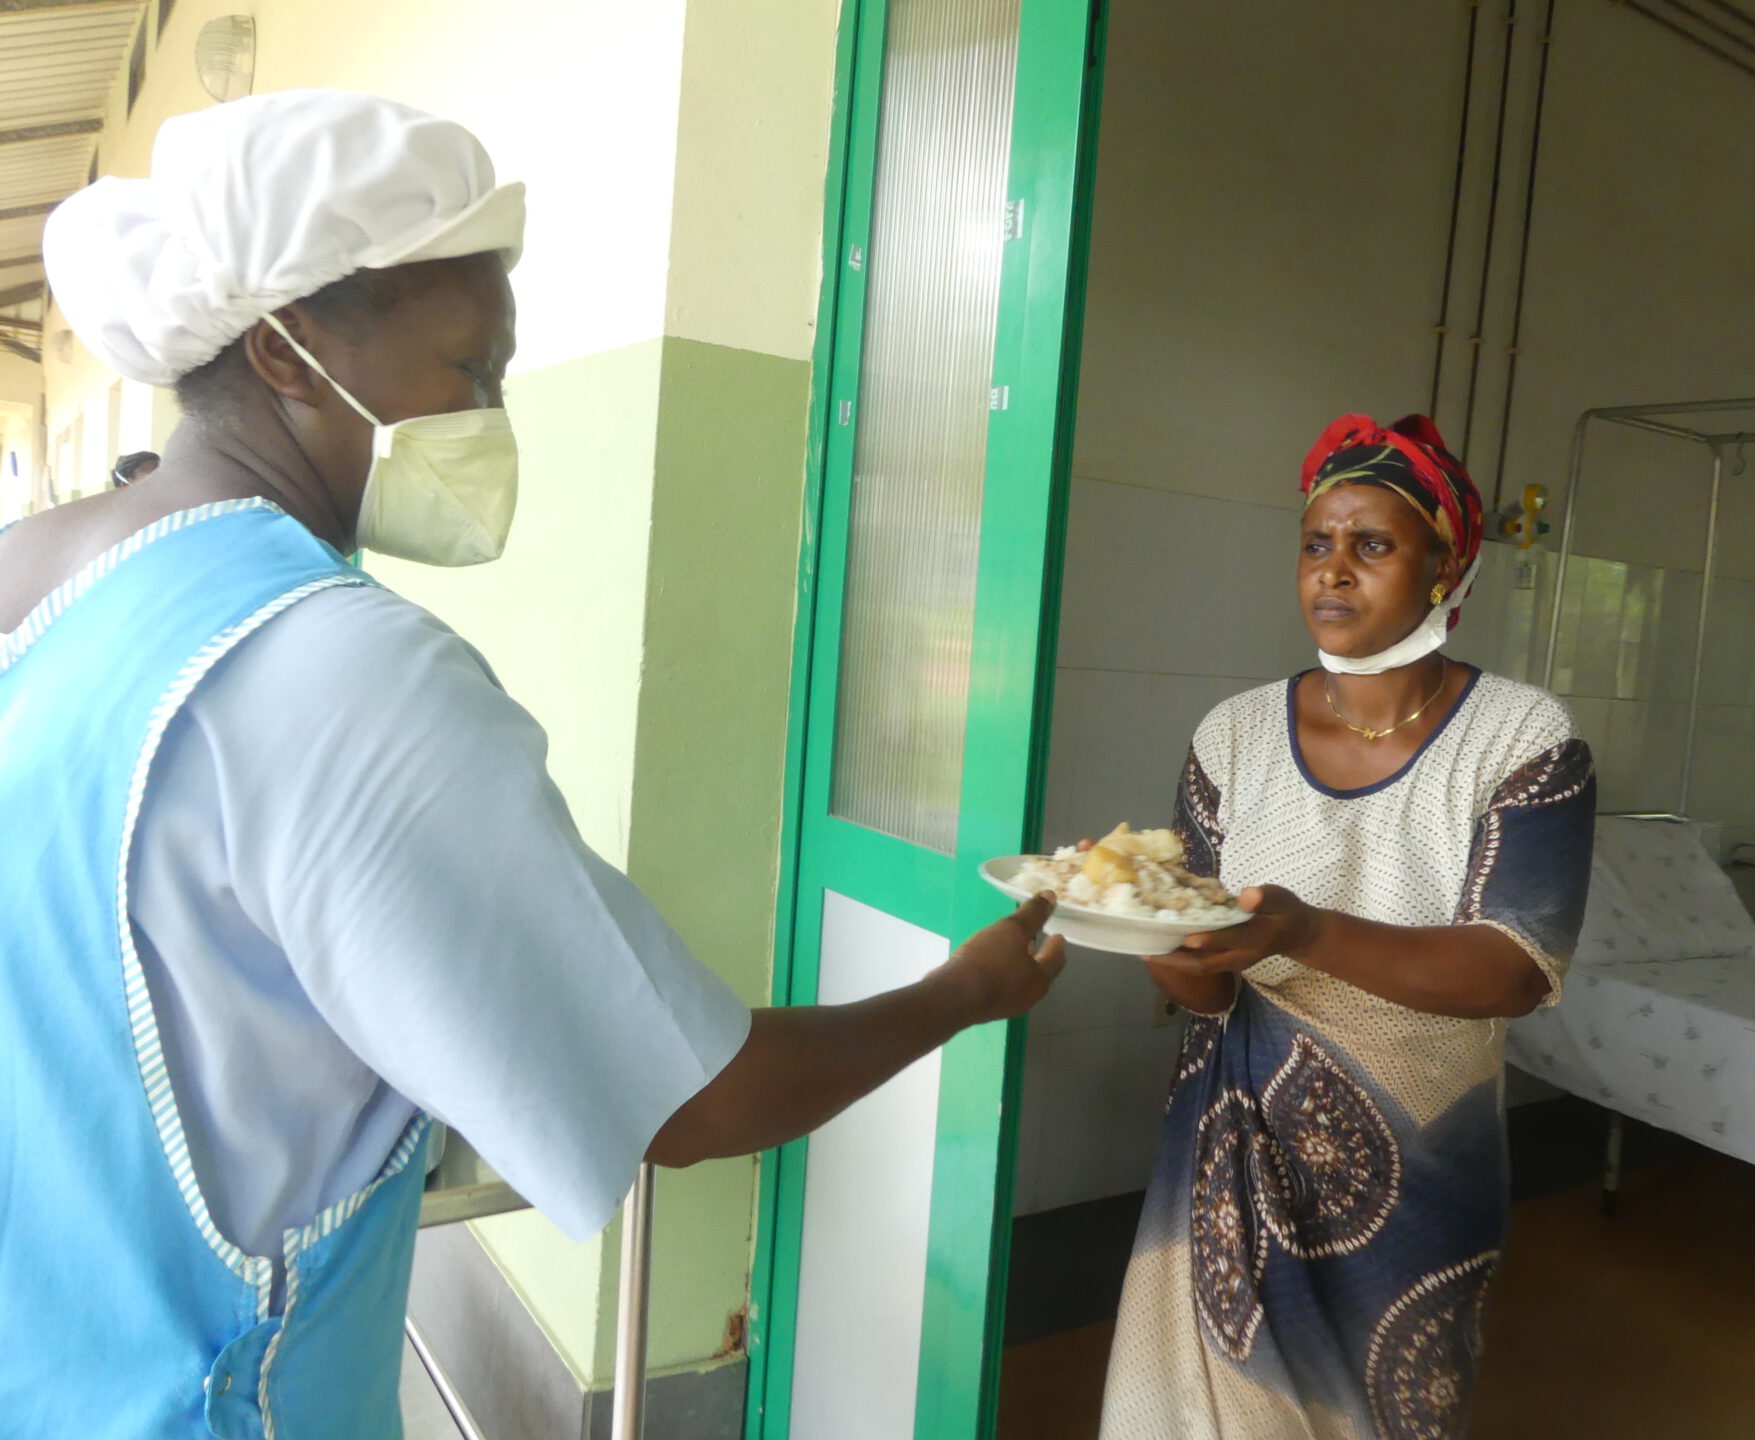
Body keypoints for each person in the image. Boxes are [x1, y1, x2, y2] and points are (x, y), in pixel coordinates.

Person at [0, 91, 1063, 1439]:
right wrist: (958, 993)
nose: (490, 420)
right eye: (468, 372)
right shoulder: (346, 671)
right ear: (284, 348)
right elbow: (687, 1095)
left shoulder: (35, 584)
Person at [1098, 414, 1596, 1440]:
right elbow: (1201, 979)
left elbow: (1514, 968)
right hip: (1230, 1139)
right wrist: (1154, 938)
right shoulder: (1232, 734)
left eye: (1373, 546)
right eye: (1317, 544)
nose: (1334, 572)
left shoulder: (1524, 737)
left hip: (1422, 1155)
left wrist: (1302, 931)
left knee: (1383, 1413)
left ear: (1445, 568)